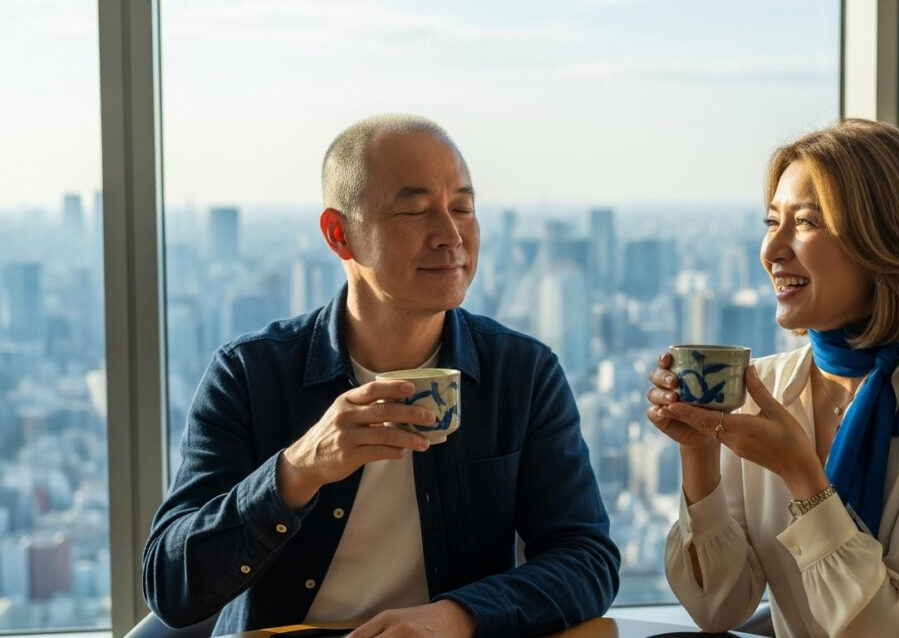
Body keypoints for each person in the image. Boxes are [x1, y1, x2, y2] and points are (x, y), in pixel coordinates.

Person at [144, 114, 619, 637]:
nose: (451, 235)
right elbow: (171, 586)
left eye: (463, 208)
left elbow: (586, 559)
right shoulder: (249, 374)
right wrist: (296, 472)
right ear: (339, 234)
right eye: (416, 211)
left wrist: (459, 616)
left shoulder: (522, 374)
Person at [646, 119, 899, 637]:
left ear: (887, 242)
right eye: (771, 221)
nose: (772, 250)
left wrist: (802, 476)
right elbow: (719, 607)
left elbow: (898, 631)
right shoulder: (762, 391)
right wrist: (700, 452)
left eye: (805, 223)